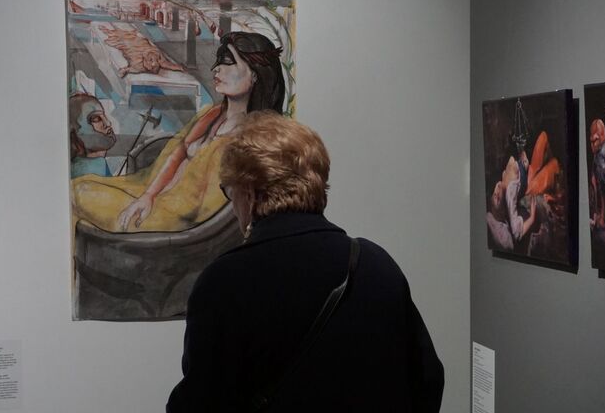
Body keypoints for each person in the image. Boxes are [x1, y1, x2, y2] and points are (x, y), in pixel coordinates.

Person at [166, 112, 445, 412]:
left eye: (228, 191)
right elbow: (428, 380)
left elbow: (201, 401)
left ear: (248, 192)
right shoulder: (376, 264)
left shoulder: (223, 282)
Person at [72, 31, 285, 232]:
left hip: (179, 220)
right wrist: (148, 195)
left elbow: (212, 207)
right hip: (151, 195)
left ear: (256, 76)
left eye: (229, 63)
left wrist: (152, 201)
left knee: (78, 194)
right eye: (220, 61)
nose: (217, 69)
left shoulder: (253, 139)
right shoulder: (212, 114)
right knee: (76, 186)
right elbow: (178, 153)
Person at [68, 93, 117, 178]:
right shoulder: (84, 172)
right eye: (96, 119)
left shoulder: (100, 164)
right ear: (75, 129)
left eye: (104, 116)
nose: (108, 123)